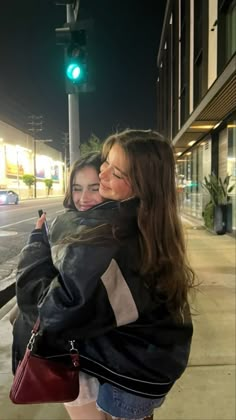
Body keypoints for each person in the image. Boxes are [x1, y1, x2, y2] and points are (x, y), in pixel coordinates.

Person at [15, 129, 194, 420]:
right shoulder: (151, 224)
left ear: (141, 184)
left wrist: (36, 247)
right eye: (106, 162)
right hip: (148, 367)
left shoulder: (114, 240)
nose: (103, 174)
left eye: (116, 172)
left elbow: (53, 313)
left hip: (128, 375)